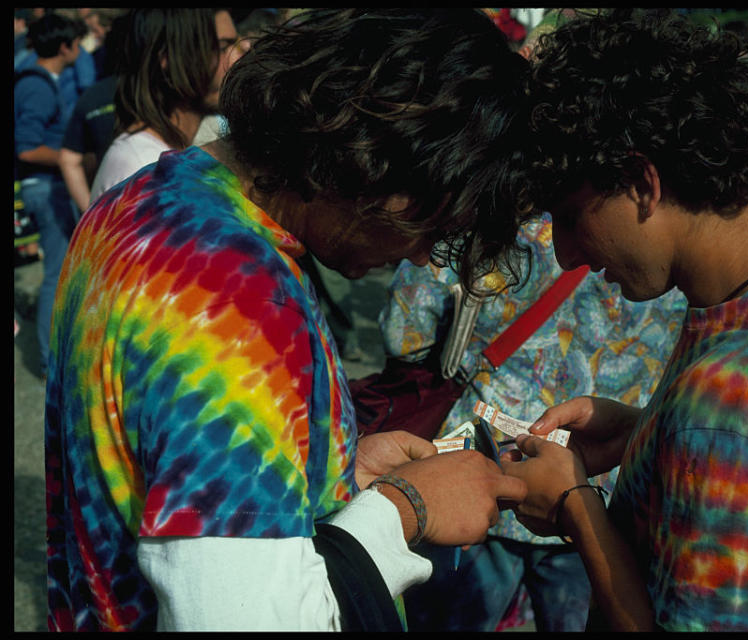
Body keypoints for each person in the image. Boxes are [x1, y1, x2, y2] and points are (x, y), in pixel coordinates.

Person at [45, 8, 534, 631]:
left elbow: (176, 476)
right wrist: (405, 508)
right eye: (431, 226)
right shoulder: (234, 297)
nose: (417, 253)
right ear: (380, 170)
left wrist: (337, 469)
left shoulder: (144, 198)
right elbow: (242, 618)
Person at [502, 9, 748, 631]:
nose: (564, 253)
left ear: (641, 182)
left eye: (570, 215)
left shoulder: (734, 406)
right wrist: (649, 435)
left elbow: (743, 437)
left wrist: (577, 509)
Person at [389, 214, 687, 632]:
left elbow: (403, 333)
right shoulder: (660, 245)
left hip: (482, 477)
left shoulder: (490, 219)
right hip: (598, 497)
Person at [89, 9, 243, 200]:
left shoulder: (171, 156)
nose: (237, 58)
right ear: (168, 59)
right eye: (222, 47)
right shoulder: (144, 170)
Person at [14, 13, 86, 379]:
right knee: (56, 274)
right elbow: (26, 148)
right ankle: (47, 361)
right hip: (45, 187)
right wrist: (71, 158)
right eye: (77, 42)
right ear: (64, 46)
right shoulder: (37, 86)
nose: (81, 49)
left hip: (48, 185)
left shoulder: (40, 79)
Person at [58, 10, 128, 213]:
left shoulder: (94, 95)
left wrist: (91, 213)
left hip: (111, 215)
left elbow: (68, 159)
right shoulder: (170, 92)